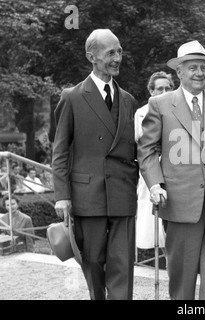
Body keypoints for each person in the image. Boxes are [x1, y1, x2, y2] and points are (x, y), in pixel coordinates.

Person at [138, 40, 205, 300]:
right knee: (182, 271)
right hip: (179, 201)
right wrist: (155, 185)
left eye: (203, 67)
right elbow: (146, 150)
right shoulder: (160, 105)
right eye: (192, 68)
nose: (199, 73)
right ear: (179, 72)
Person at [52, 29, 140, 300]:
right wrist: (62, 196)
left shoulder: (128, 100)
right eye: (110, 53)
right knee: (92, 260)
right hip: (87, 195)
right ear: (91, 57)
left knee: (123, 263)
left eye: (120, 51)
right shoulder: (72, 96)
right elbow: (60, 150)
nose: (117, 58)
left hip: (123, 193)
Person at [134, 71, 174, 252]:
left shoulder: (177, 109)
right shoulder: (142, 113)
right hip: (152, 166)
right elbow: (140, 142)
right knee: (152, 217)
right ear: (151, 91)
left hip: (175, 166)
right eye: (159, 88)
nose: (164, 91)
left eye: (168, 87)